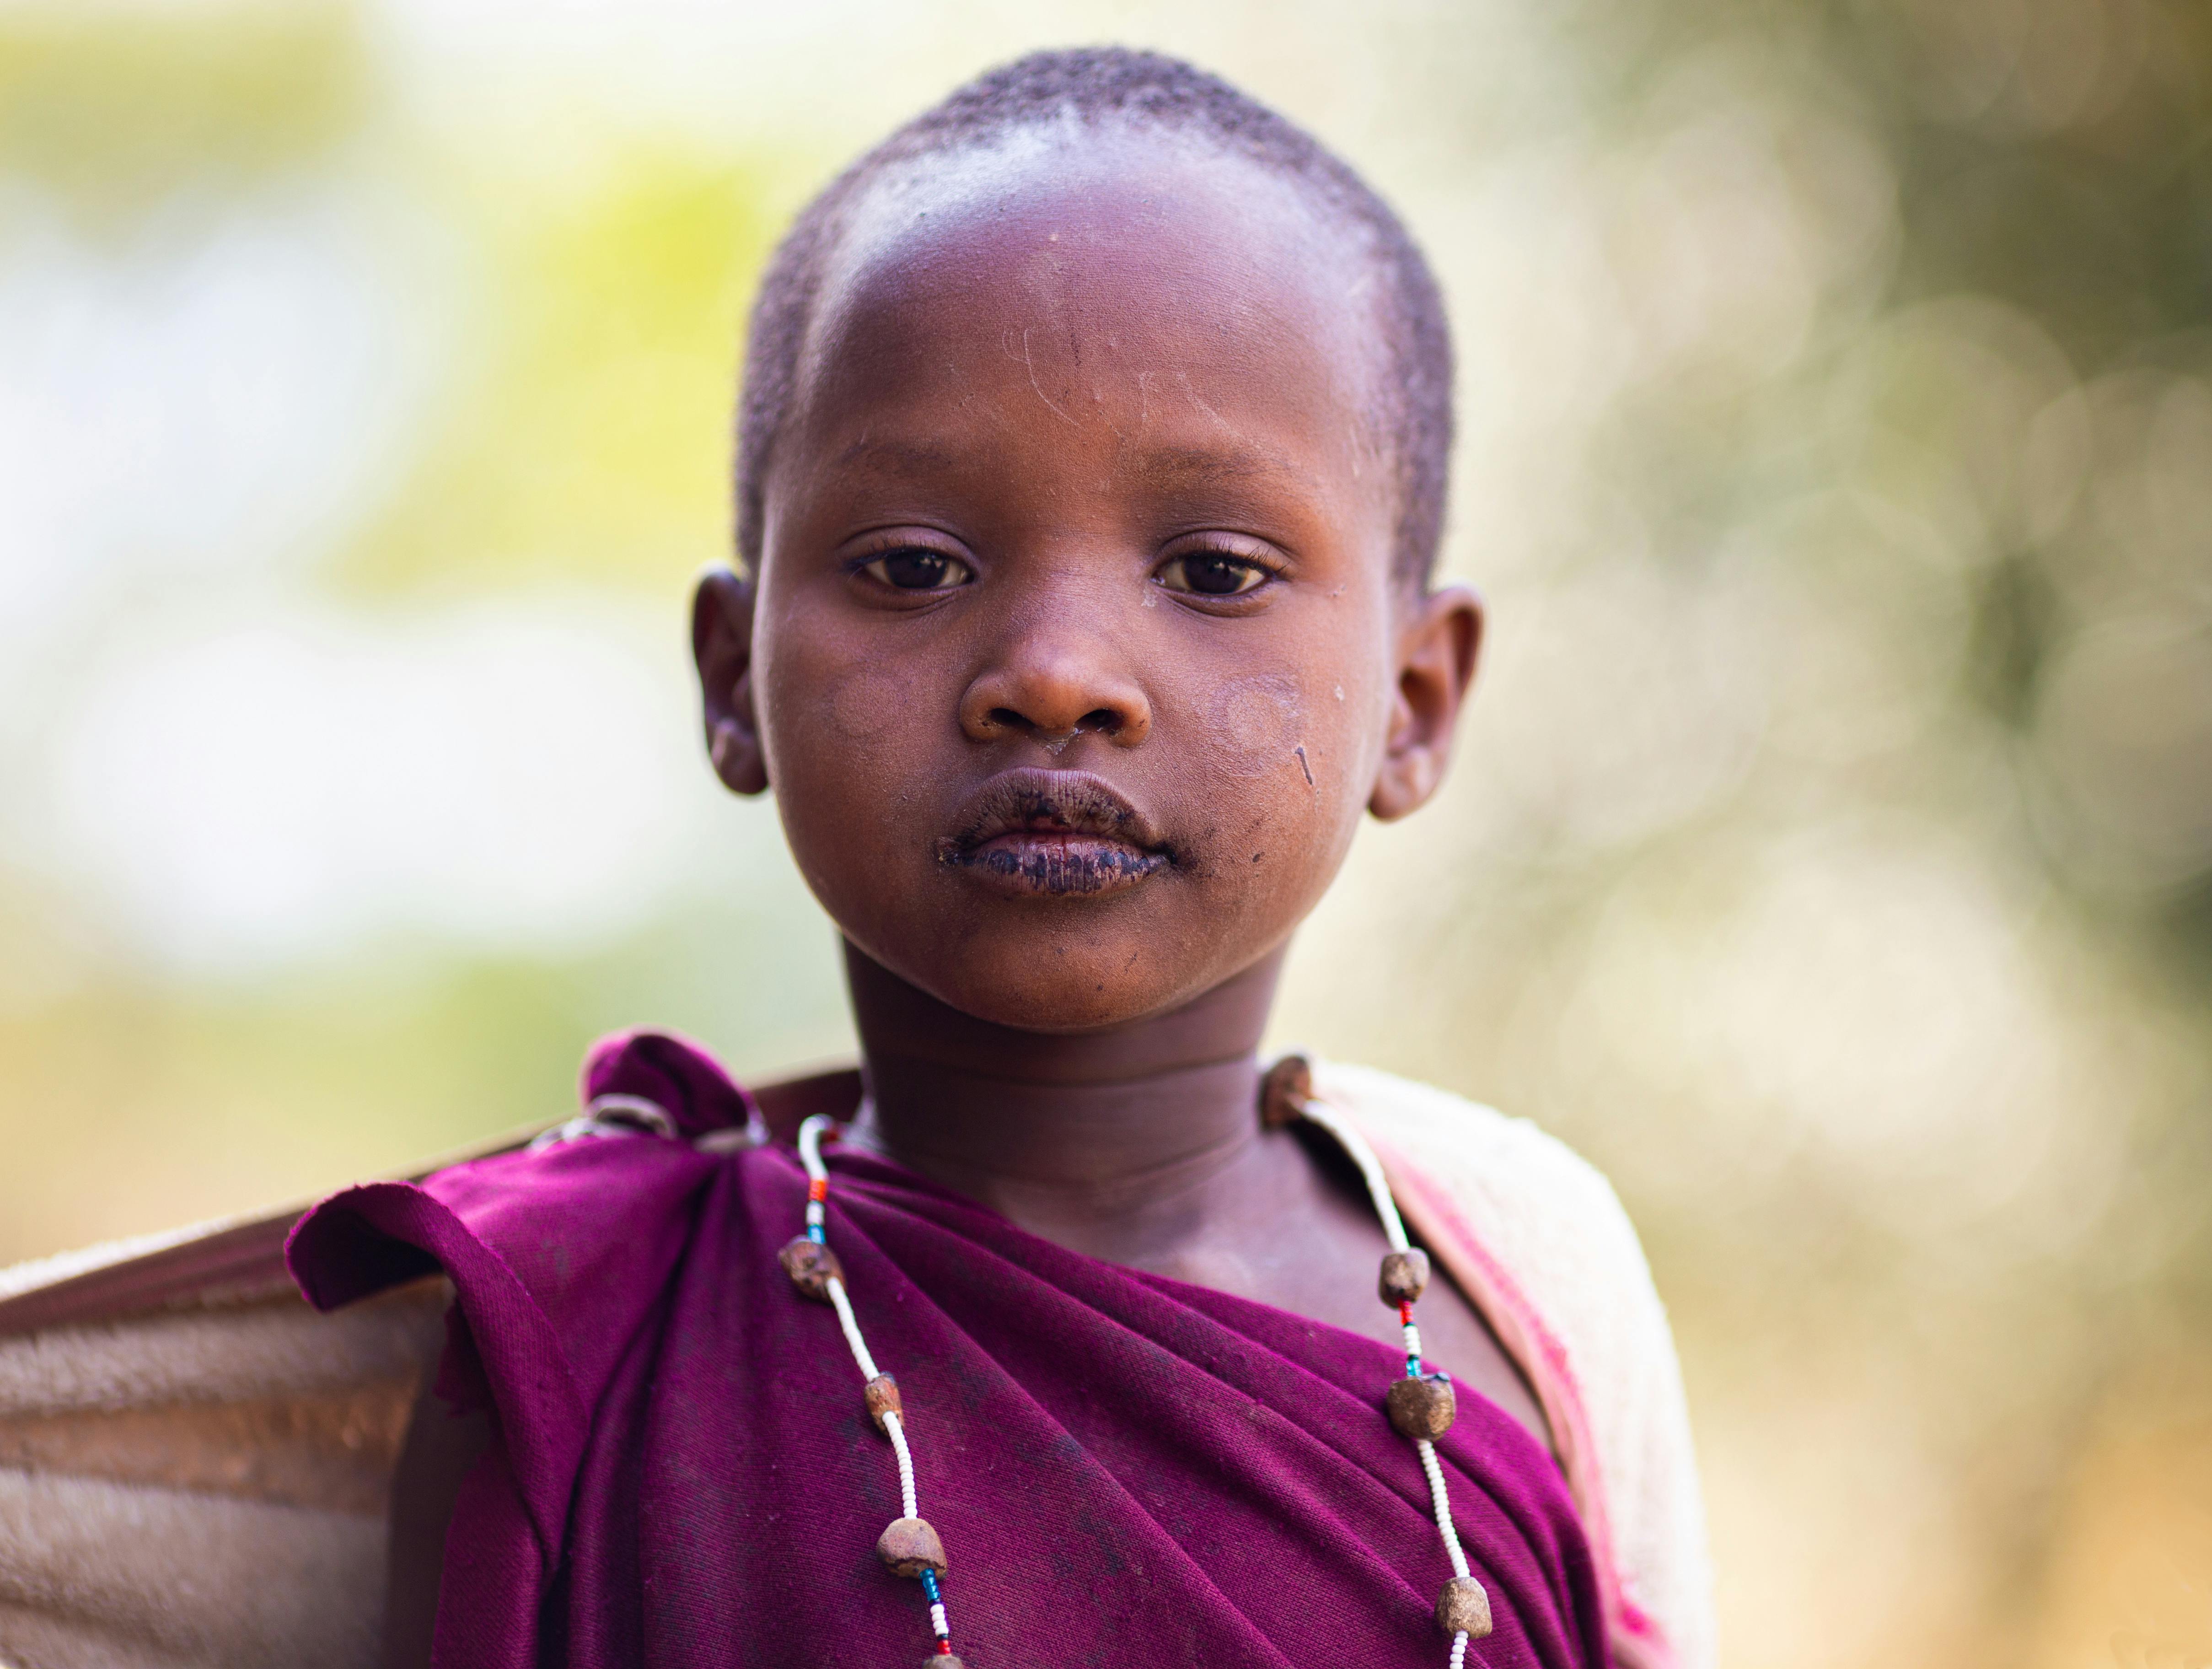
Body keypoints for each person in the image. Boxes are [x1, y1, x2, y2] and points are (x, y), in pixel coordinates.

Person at [1, 46, 1710, 1669]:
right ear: (731, 683)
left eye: (1211, 570)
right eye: (909, 566)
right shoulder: (577, 1328)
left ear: (1414, 702)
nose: (1054, 669)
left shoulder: (1513, 1281)